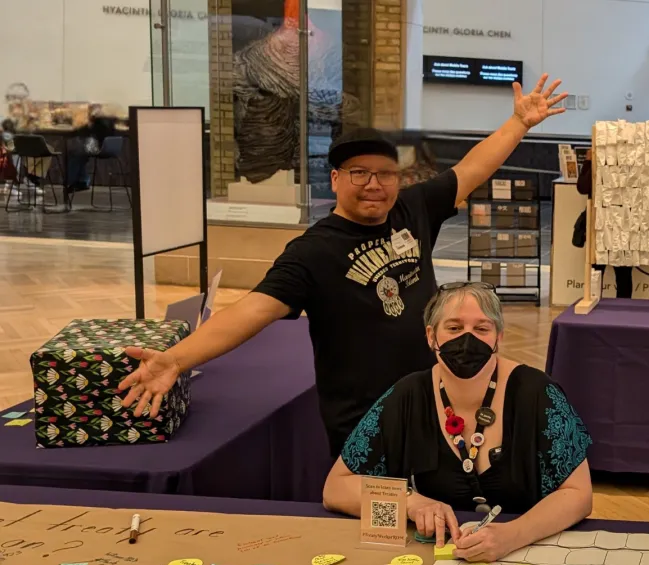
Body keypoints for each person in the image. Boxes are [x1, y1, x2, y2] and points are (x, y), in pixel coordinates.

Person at [117, 75, 568, 453]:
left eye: (385, 174)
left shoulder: (413, 209)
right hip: (364, 420)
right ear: (335, 179)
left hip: (433, 399)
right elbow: (251, 311)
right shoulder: (314, 251)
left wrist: (519, 122)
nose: (374, 185)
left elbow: (473, 168)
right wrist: (176, 359)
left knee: (434, 510)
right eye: (359, 173)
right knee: (377, 525)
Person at [323, 282, 593, 561]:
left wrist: (513, 535)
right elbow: (336, 488)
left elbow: (579, 494)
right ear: (431, 336)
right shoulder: (407, 396)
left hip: (524, 555)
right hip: (432, 559)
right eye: (453, 328)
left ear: (498, 338)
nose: (467, 340)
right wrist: (409, 503)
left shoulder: (539, 393)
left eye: (481, 329)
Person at [573, 150, 633, 297]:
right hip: (602, 224)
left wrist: (589, 162)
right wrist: (589, 162)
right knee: (599, 270)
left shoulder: (628, 164)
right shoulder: (599, 163)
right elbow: (583, 187)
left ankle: (621, 307)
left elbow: (583, 187)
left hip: (619, 224)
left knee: (622, 272)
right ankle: (600, 304)